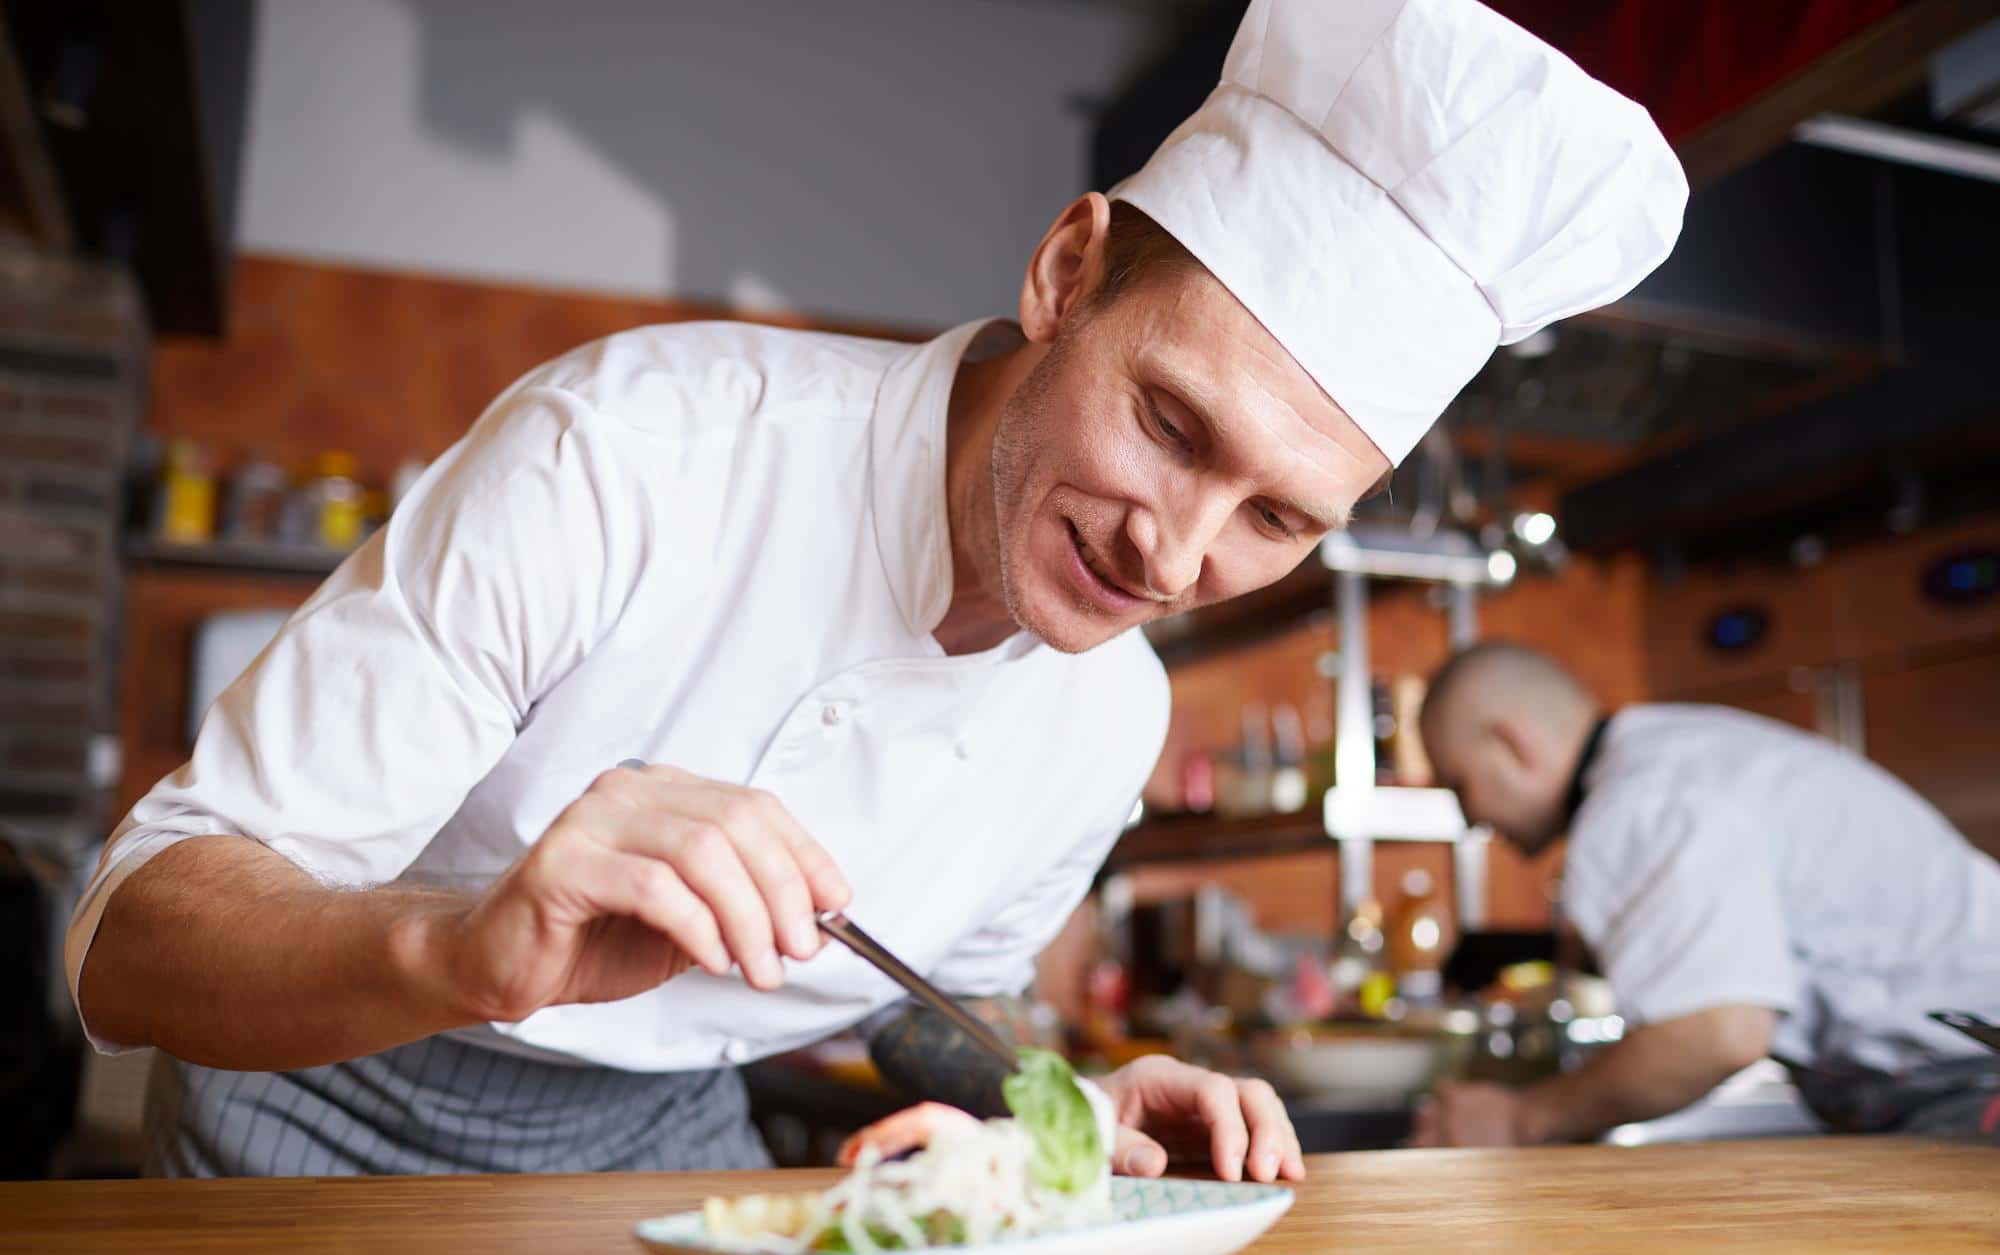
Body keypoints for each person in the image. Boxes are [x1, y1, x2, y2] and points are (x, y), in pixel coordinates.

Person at [66, 0, 1686, 1178]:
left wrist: (1060, 1098)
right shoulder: (637, 447)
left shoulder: (1110, 709)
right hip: (309, 1129)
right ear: (1065, 273)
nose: (1176, 557)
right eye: (1171, 424)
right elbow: (139, 934)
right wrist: (464, 946)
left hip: (665, 1164)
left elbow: (933, 997)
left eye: (1275, 516)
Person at [1410, 642, 2000, 1147]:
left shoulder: (1641, 798)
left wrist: (1517, 1120)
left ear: (1513, 743)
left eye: (1461, 785)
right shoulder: (1670, 755)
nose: (1469, 816)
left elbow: (1718, 1034)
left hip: (1971, 1080)